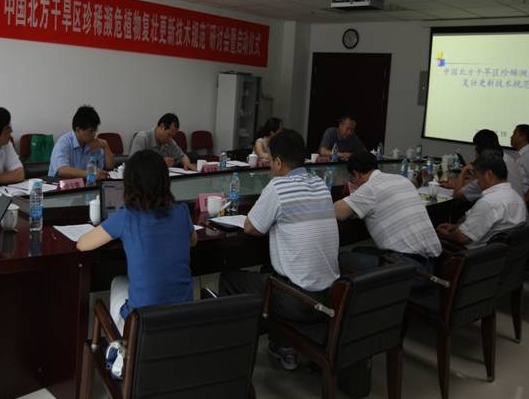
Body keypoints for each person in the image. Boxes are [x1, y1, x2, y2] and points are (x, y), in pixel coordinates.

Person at [218, 129, 339, 371]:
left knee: (230, 279)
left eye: (271, 161)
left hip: (300, 301)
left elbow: (251, 227)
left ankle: (234, 362)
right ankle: (282, 345)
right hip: (329, 296)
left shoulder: (279, 187)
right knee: (270, 269)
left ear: (279, 162)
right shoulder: (320, 184)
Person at [76, 150, 196, 332]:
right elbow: (193, 241)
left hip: (142, 325)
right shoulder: (181, 211)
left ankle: (118, 347)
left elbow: (82, 244)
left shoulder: (127, 216)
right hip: (183, 321)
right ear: (166, 180)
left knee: (118, 281)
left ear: (129, 184)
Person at [334, 151, 441, 275]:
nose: (353, 183)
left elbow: (337, 212)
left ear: (357, 174)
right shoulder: (402, 179)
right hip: (432, 264)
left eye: (351, 179)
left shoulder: (370, 187)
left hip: (408, 269)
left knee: (339, 258)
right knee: (359, 250)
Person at [436, 151, 528, 248]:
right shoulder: (517, 197)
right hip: (503, 253)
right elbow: (491, 227)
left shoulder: (488, 203)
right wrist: (456, 227)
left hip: (471, 254)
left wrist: (445, 235)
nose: (477, 182)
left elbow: (461, 238)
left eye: (477, 177)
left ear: (489, 174)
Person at [448, 129, 524, 201]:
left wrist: (464, 170)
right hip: (518, 205)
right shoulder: (507, 158)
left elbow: (457, 195)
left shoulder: (488, 167)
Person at [48, 104, 115, 179]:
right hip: (60, 184)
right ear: (78, 130)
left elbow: (110, 167)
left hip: (86, 184)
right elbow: (62, 170)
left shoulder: (94, 143)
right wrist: (90, 174)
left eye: (95, 130)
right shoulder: (64, 142)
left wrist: (105, 146)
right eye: (91, 131)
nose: (94, 134)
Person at [129, 112, 196, 170]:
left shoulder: (170, 142)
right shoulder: (142, 138)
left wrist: (187, 164)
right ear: (162, 126)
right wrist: (160, 163)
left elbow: (181, 156)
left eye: (172, 136)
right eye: (169, 135)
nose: (170, 139)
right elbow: (133, 164)